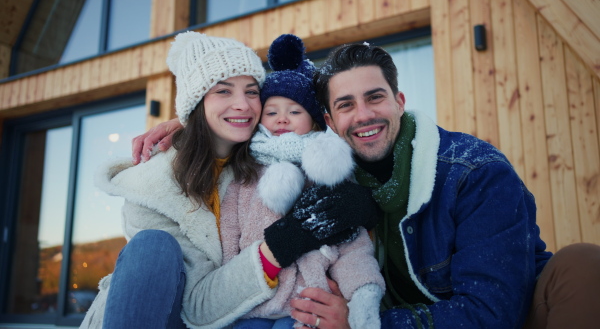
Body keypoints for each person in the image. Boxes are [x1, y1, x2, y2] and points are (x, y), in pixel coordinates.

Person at [134, 39, 600, 329]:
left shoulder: (472, 171)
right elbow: (268, 125)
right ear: (329, 123)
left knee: (584, 265)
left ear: (399, 100)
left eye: (375, 98)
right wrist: (190, 125)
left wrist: (365, 321)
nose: (363, 116)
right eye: (346, 105)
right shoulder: (325, 168)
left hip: (481, 316)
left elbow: (493, 312)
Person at [80, 31, 378, 329]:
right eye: (223, 91)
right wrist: (287, 240)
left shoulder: (263, 155)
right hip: (165, 316)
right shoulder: (150, 189)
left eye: (251, 92)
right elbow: (196, 305)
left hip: (258, 313)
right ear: (197, 103)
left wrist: (361, 205)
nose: (243, 105)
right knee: (152, 246)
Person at [220, 34, 385, 329]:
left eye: (295, 111)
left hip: (307, 306)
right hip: (252, 306)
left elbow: (352, 246)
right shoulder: (245, 166)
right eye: (271, 112)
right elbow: (229, 234)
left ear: (316, 121)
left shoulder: (327, 173)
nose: (282, 119)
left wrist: (363, 292)